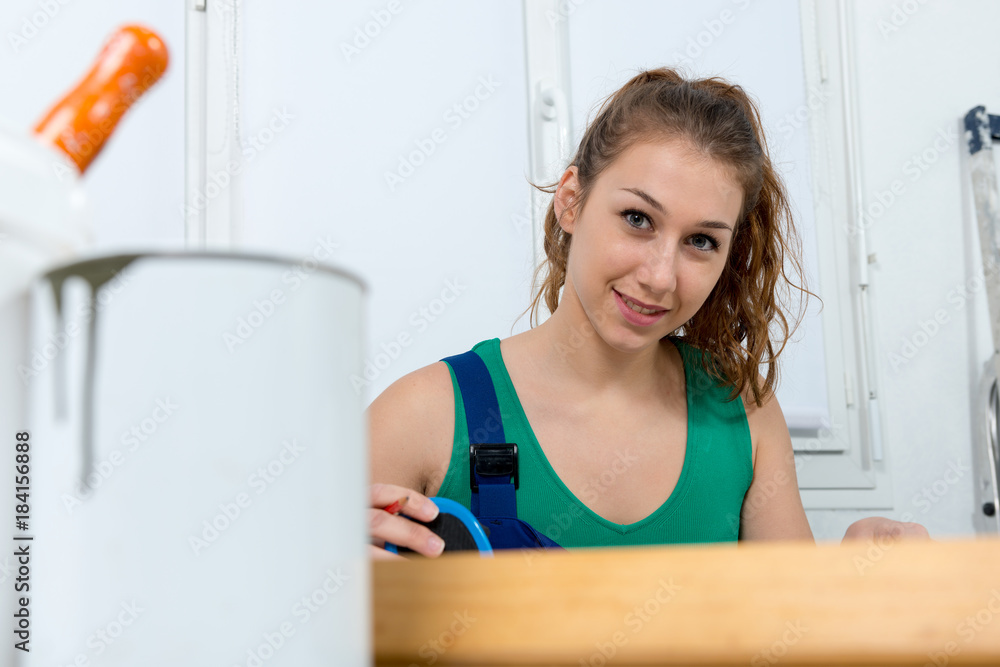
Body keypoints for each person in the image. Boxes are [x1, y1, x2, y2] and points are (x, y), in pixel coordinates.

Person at [367, 67, 928, 559]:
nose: (661, 276)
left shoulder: (743, 414)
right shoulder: (423, 416)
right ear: (571, 200)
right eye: (638, 219)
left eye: (701, 241)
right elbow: (321, 605)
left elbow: (794, 628)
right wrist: (334, 584)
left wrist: (852, 578)